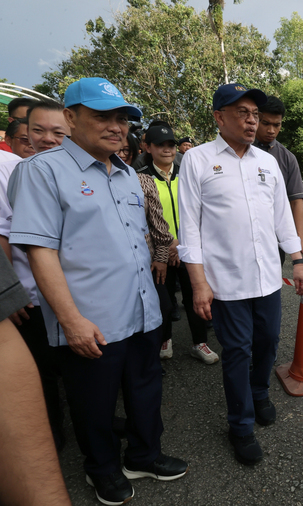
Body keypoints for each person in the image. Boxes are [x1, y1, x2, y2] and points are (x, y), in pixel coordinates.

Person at [8, 77, 187, 505]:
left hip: (141, 312)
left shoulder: (127, 175)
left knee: (146, 389)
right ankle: (102, 470)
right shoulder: (42, 171)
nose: (115, 126)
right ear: (70, 118)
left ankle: (144, 455)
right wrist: (71, 320)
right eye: (101, 116)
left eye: (122, 117)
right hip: (91, 321)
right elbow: (40, 251)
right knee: (94, 403)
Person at [179, 83, 303, 465]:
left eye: (255, 114)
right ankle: (240, 426)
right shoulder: (198, 160)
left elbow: (282, 218)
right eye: (243, 113)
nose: (252, 121)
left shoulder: (267, 162)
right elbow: (189, 226)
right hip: (225, 281)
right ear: (219, 117)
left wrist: (297, 261)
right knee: (236, 351)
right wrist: (199, 283)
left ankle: (259, 392)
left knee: (268, 341)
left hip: (268, 276)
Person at [0, 99, 70, 451]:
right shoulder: (9, 169)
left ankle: (78, 422)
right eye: (36, 131)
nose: (46, 140)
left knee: (71, 364)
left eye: (57, 132)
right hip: (30, 295)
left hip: (73, 292)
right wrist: (9, 292)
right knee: (41, 371)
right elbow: (2, 235)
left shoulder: (73, 171)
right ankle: (50, 437)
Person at [137, 122, 218, 364]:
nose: (167, 149)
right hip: (159, 253)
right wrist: (167, 246)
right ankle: (165, 338)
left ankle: (199, 342)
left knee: (196, 295)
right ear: (147, 147)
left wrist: (183, 242)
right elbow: (142, 220)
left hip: (189, 248)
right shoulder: (140, 179)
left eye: (170, 144)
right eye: (159, 145)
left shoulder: (188, 175)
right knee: (164, 302)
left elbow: (200, 212)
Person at [0, 251, 72, 506]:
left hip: (59, 292)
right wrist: (10, 294)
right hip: (31, 297)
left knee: (63, 365)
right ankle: (54, 431)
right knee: (47, 371)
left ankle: (59, 428)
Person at [254, 96, 303, 264]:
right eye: (265, 123)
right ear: (256, 118)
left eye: (277, 125)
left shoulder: (287, 158)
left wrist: (299, 240)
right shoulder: (241, 149)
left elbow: (296, 202)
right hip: (241, 235)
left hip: (274, 240)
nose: (271, 130)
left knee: (271, 284)